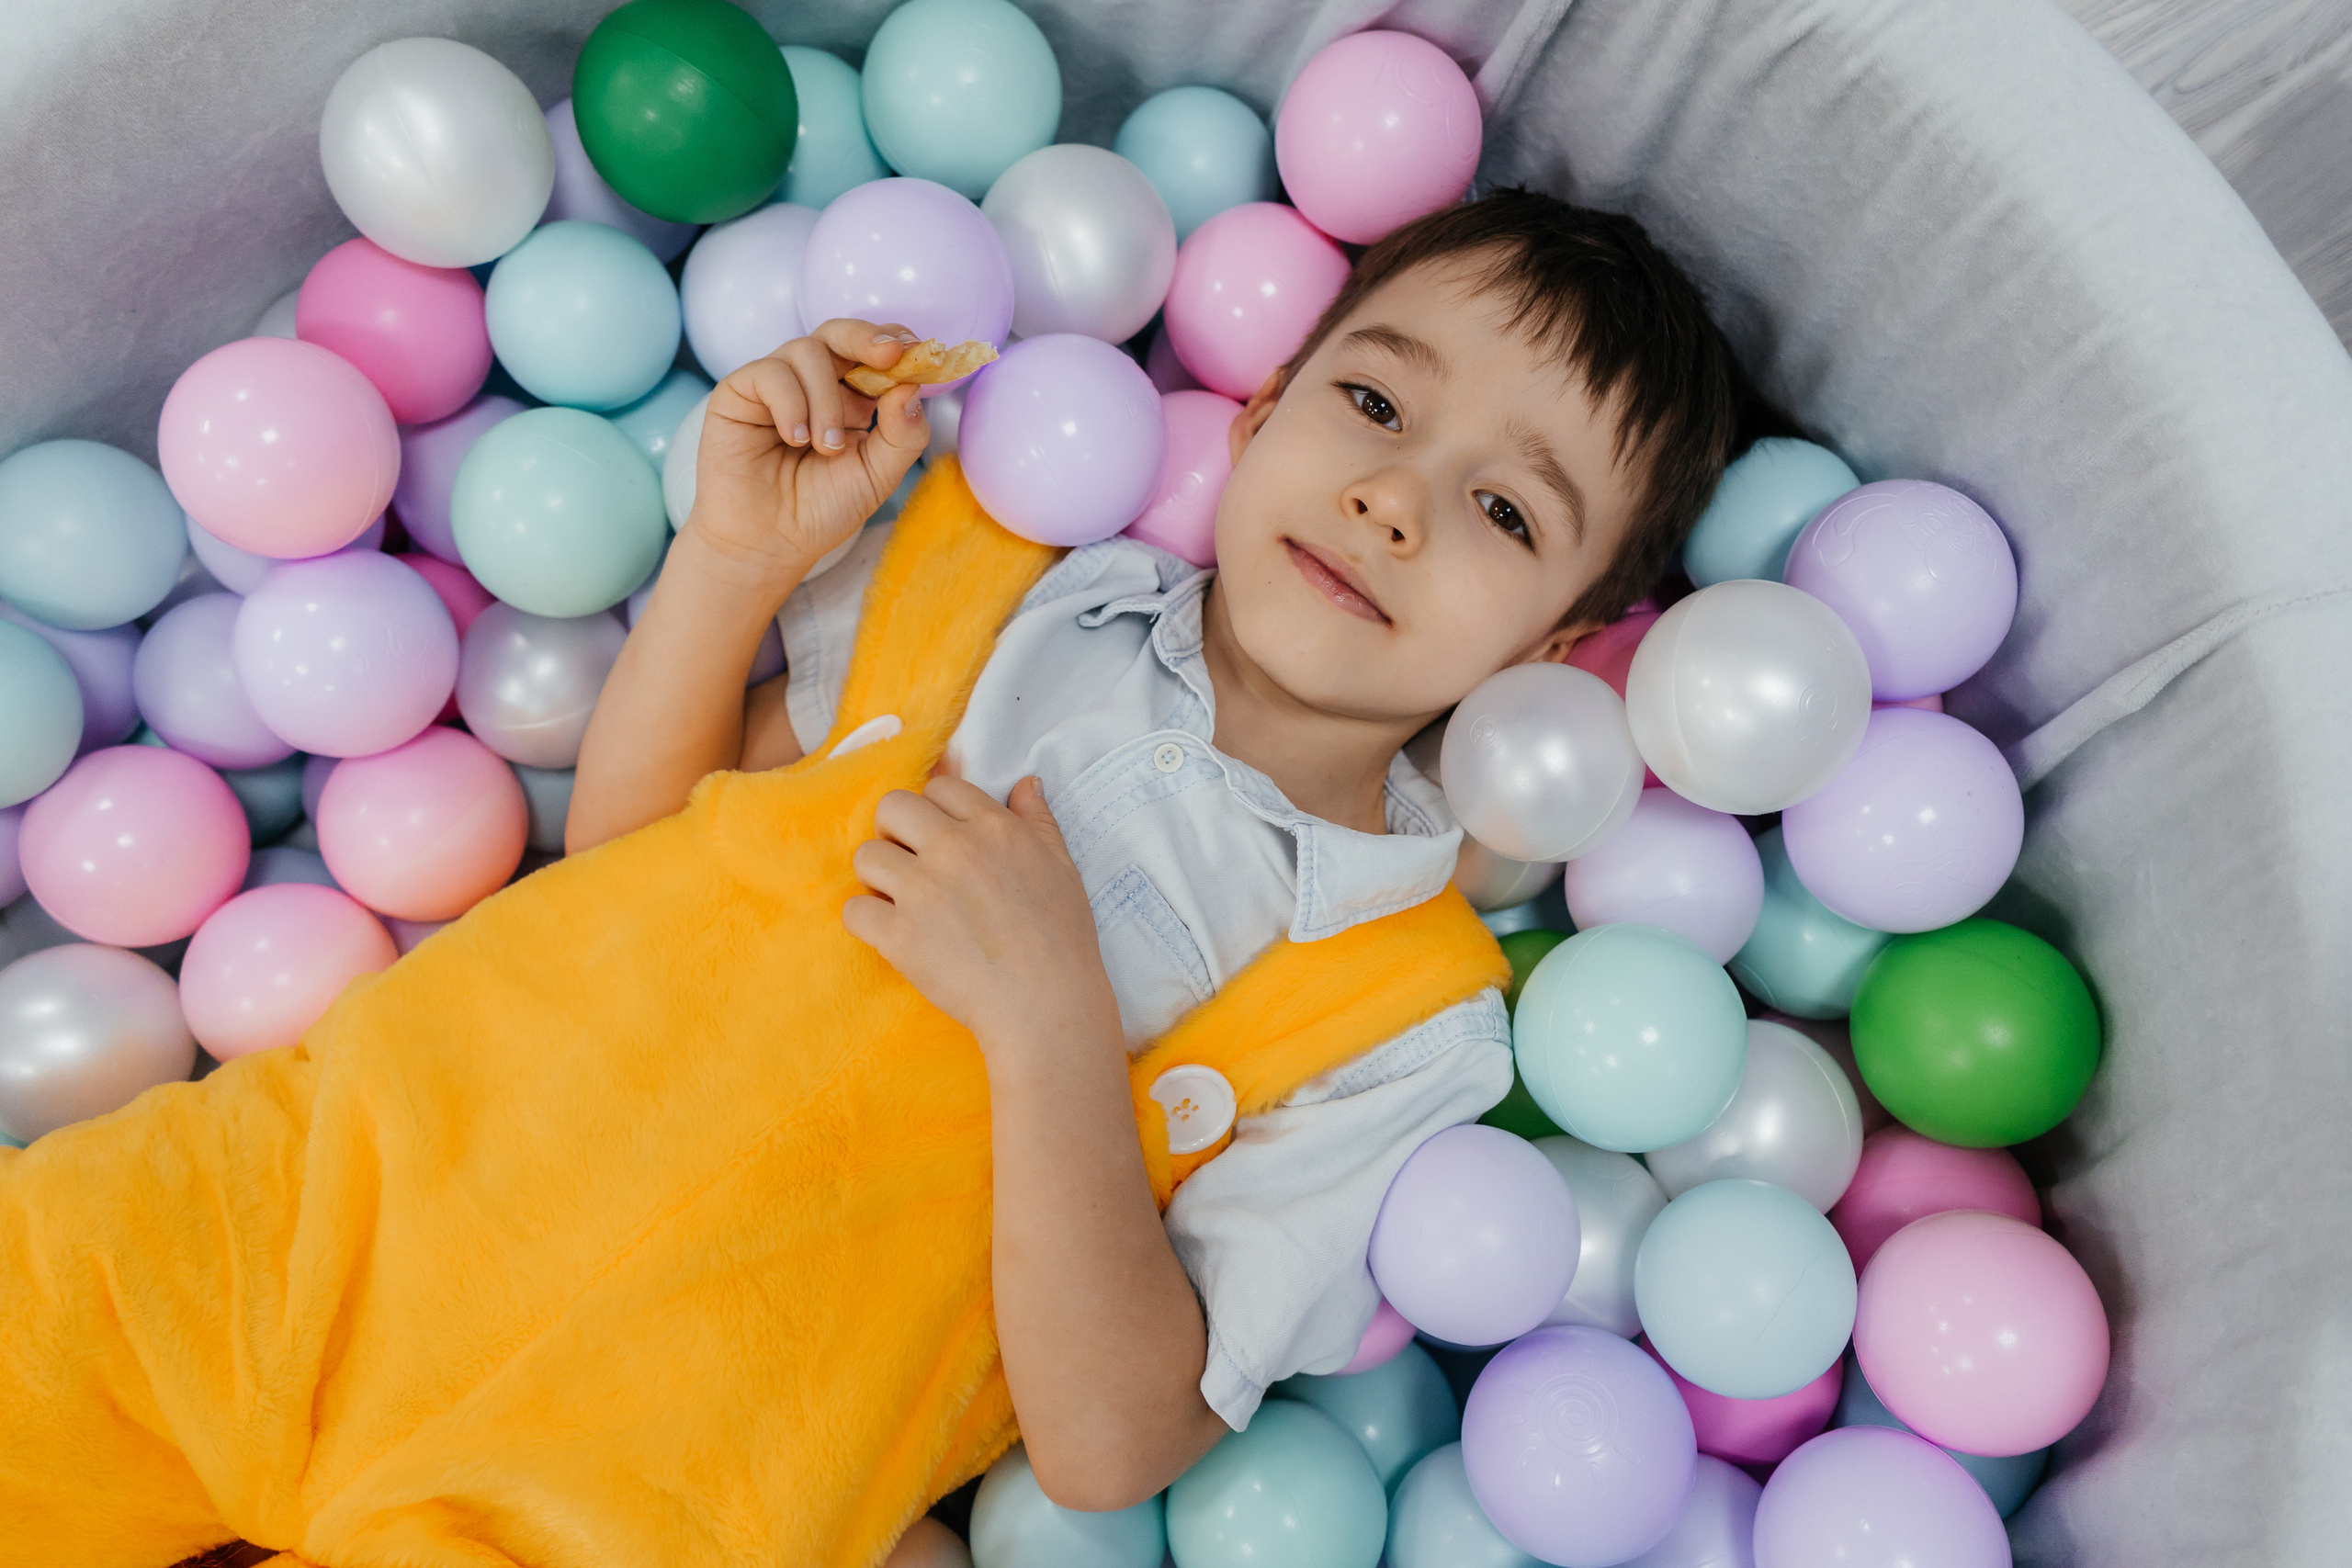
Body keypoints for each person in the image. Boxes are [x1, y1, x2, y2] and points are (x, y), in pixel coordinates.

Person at [4, 188, 1751, 1567]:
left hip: (635, 1506)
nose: (1393, 502)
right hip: (296, 1221)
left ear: (1572, 646)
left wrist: (1055, 1027)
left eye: (1507, 515)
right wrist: (733, 565)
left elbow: (1114, 1439)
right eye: (1374, 403)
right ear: (1271, 399)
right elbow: (629, 868)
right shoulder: (983, 569)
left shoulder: (1402, 1003)